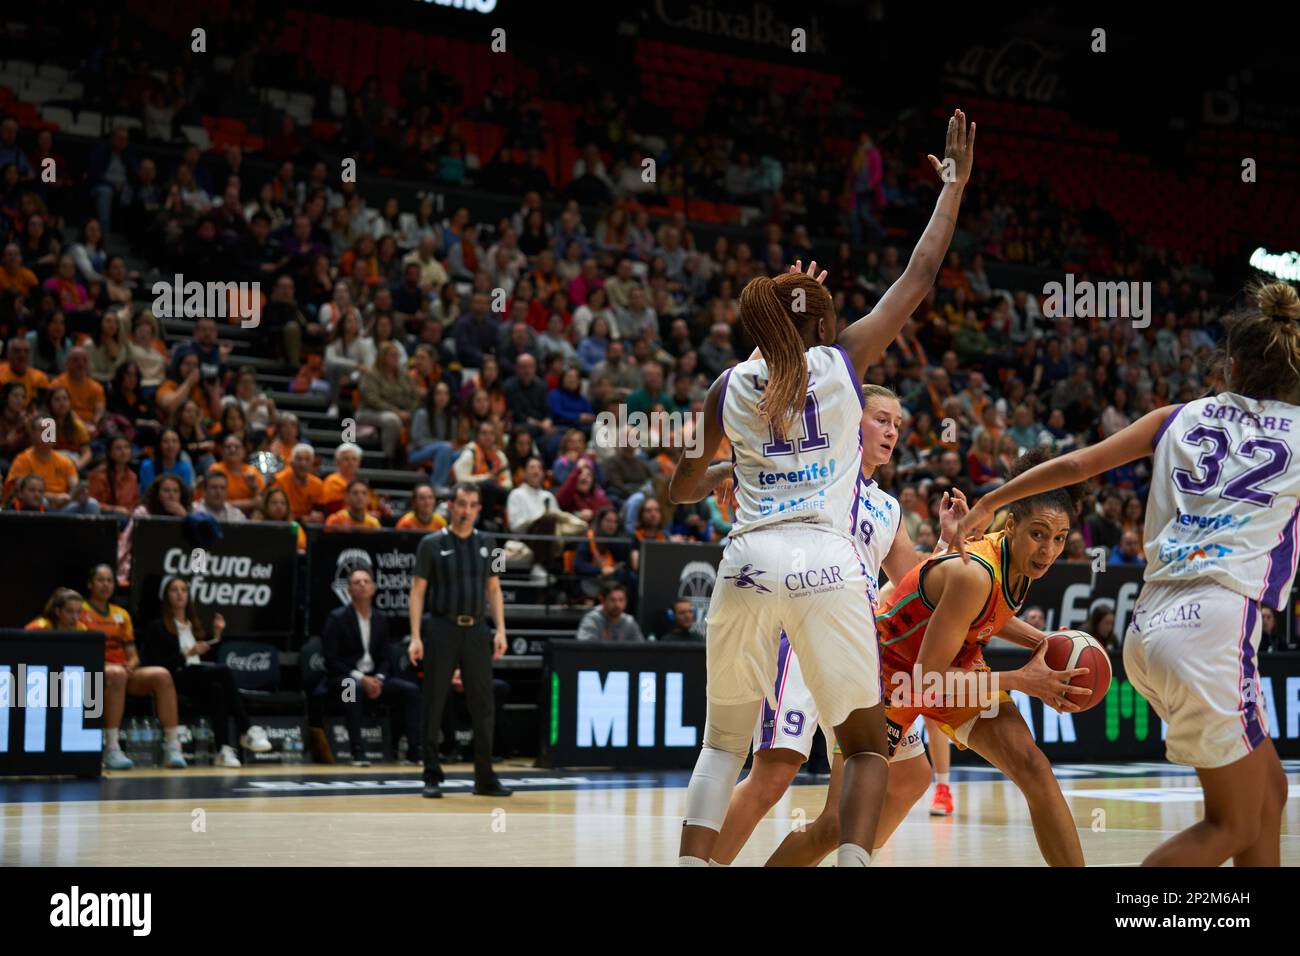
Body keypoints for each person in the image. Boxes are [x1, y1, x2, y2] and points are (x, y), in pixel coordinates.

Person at [670, 109, 975, 868]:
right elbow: (919, 277)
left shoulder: (726, 385)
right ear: (823, 319)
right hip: (826, 565)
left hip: (744, 566)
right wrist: (952, 187)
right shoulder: (844, 362)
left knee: (721, 746)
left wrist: (723, 470)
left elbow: (678, 490)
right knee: (866, 747)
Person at [951, 280, 1300, 868]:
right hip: (1216, 626)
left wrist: (992, 500)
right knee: (1234, 822)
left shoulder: (1178, 416)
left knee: (1270, 792)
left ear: (1233, 364)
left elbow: (1079, 462)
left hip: (1152, 624)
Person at [710, 385, 968, 864]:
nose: (892, 431)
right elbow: (759, 462)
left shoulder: (888, 507)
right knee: (774, 771)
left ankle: (838, 852)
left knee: (909, 779)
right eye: (881, 419)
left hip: (856, 648)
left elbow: (913, 585)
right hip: (798, 630)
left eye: (897, 424)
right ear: (851, 422)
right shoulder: (816, 475)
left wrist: (948, 546)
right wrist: (729, 474)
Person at [408, 483, 512, 799]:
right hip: (441, 628)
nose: (466, 510)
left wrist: (501, 630)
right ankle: (431, 774)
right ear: (451, 506)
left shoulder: (490, 543)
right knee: (434, 701)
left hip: (477, 630)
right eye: (461, 503)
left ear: (479, 509)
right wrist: (415, 637)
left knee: (483, 705)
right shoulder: (430, 543)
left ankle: (484, 777)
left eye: (472, 505)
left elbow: (494, 589)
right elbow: (417, 592)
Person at [140, 576, 273, 768]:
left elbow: (205, 661)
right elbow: (156, 664)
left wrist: (216, 636)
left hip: (197, 677)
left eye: (184, 590)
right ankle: (246, 729)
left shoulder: (194, 625)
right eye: (174, 590)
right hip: (174, 677)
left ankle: (223, 750)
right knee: (223, 672)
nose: (180, 594)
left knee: (218, 688)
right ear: (165, 596)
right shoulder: (158, 627)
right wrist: (186, 654)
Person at [80, 564, 187, 770]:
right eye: (101, 580)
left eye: (110, 580)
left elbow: (133, 654)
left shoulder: (121, 614)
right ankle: (111, 748)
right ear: (90, 584)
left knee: (162, 675)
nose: (106, 585)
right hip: (94, 672)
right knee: (117, 674)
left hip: (122, 672)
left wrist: (132, 664)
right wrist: (113, 666)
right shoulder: (81, 611)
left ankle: (172, 747)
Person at [321, 567, 423, 766]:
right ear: (348, 590)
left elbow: (385, 657)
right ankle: (356, 751)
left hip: (375, 679)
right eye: (356, 582)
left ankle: (413, 751)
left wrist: (380, 679)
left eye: (366, 581)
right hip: (342, 682)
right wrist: (361, 678)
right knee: (352, 688)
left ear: (374, 588)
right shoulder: (337, 618)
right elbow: (331, 660)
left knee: (410, 690)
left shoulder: (380, 619)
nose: (362, 585)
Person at [273, 443, 325, 523]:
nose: (303, 464)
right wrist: (301, 520)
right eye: (299, 459)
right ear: (292, 462)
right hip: (283, 523)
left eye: (307, 459)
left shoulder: (318, 484)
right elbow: (273, 509)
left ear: (312, 464)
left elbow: (320, 510)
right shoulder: (279, 480)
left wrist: (318, 516)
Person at [576, 581, 645, 641]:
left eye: (621, 600)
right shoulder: (592, 620)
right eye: (612, 600)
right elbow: (584, 650)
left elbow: (641, 650)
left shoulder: (629, 622)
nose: (617, 605)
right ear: (603, 601)